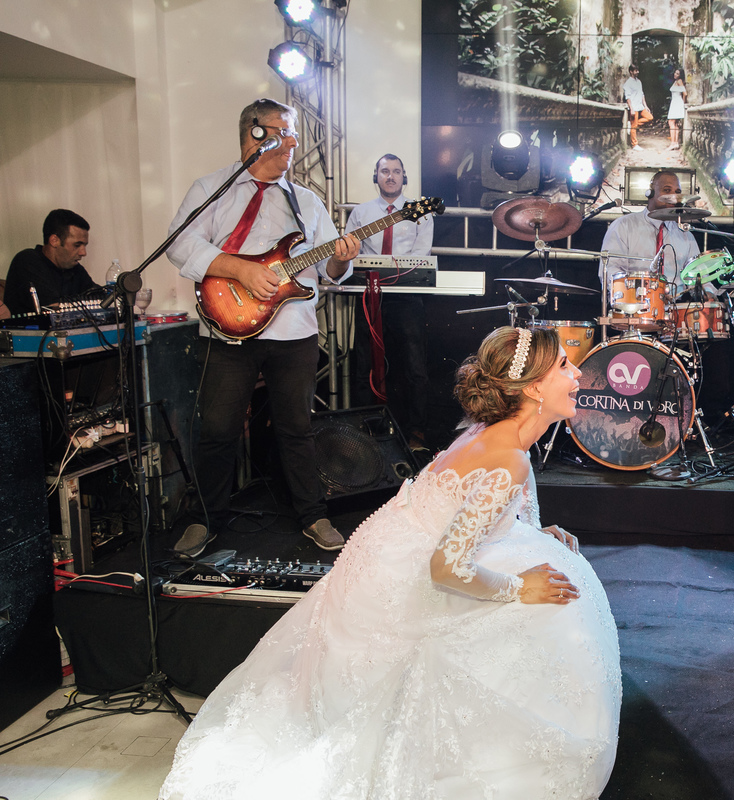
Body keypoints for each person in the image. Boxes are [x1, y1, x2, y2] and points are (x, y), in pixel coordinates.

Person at [157, 325, 621, 800]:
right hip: (406, 579)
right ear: (533, 388)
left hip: (394, 549)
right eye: (565, 366)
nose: (579, 374)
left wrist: (529, 530)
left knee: (553, 568)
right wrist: (519, 588)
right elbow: (446, 569)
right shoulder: (507, 456)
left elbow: (488, 501)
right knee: (554, 605)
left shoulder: (495, 435)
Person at [165, 98, 360, 558]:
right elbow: (179, 243)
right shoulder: (212, 188)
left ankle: (313, 514)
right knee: (217, 429)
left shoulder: (306, 201)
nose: (292, 143)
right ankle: (204, 519)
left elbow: (327, 274)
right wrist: (238, 270)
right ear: (253, 134)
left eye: (294, 134)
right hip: (228, 328)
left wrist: (338, 259)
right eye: (281, 132)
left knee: (297, 427)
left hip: (293, 330)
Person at [347, 154, 435, 449]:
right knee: (364, 363)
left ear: (404, 177)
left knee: (414, 366)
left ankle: (417, 432)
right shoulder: (361, 213)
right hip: (369, 296)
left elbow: (420, 260)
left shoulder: (419, 212)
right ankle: (365, 430)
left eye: (396, 171)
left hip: (406, 298)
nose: (391, 176)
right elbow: (350, 254)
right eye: (385, 171)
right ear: (377, 176)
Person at [600, 170, 700, 295]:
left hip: (677, 308)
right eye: (667, 190)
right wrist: (629, 297)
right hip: (635, 306)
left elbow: (699, 275)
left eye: (677, 192)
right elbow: (611, 270)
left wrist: (708, 293)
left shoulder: (685, 234)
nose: (674, 197)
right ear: (650, 193)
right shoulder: (623, 226)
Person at [4, 209, 98, 316]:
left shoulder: (74, 267)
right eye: (77, 245)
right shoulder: (27, 260)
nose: (83, 253)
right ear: (54, 240)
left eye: (84, 246)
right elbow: (52, 307)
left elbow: (99, 296)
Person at [623, 64, 652, 151]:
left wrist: (646, 106)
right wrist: (631, 108)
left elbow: (642, 94)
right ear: (631, 72)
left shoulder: (639, 82)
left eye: (637, 70)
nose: (637, 72)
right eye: (635, 71)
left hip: (640, 106)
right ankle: (634, 144)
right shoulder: (628, 83)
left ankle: (631, 127)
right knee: (634, 126)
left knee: (649, 117)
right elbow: (627, 97)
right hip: (634, 107)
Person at [667, 68, 687, 151]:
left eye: (678, 73)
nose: (675, 74)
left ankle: (673, 143)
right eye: (675, 73)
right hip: (675, 102)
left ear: (680, 75)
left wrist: (682, 103)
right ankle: (675, 143)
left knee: (671, 122)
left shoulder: (679, 81)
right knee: (674, 123)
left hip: (677, 103)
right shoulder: (676, 82)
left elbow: (685, 93)